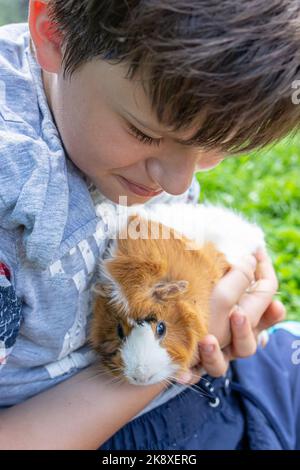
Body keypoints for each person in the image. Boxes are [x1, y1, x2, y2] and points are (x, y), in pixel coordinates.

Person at [0, 0, 298, 450]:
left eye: (213, 148)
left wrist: (233, 296)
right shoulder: (12, 185)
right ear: (54, 31)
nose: (177, 182)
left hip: (226, 387)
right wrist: (179, 358)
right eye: (145, 133)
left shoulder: (126, 105)